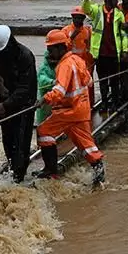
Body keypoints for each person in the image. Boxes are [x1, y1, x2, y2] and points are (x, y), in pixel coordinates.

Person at [35, 30, 106, 187]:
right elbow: (88, 81)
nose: (49, 52)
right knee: (85, 142)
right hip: (81, 109)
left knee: (44, 132)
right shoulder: (77, 60)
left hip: (68, 110)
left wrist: (44, 99)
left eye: (51, 48)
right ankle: (98, 168)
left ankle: (50, 171)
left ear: (61, 48)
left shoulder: (64, 65)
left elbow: (59, 91)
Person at [0, 25, 37, 183]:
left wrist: (5, 104)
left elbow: (25, 88)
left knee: (20, 143)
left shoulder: (25, 55)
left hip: (23, 107)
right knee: (8, 141)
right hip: (4, 105)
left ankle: (18, 178)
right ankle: (12, 168)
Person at [81, 0, 128, 111]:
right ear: (107, 0)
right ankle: (104, 102)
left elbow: (123, 34)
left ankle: (115, 103)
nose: (117, 2)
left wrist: (124, 50)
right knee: (102, 80)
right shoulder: (97, 11)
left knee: (114, 80)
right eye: (114, 0)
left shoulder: (119, 14)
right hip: (100, 53)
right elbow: (86, 9)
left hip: (114, 53)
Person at [63, 7, 94, 104]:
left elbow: (91, 47)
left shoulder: (88, 31)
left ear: (83, 18)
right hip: (71, 64)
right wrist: (71, 38)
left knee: (88, 85)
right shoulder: (66, 31)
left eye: (80, 17)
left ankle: (89, 104)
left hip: (85, 64)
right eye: (75, 17)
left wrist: (91, 63)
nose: (78, 20)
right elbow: (62, 48)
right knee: (72, 86)